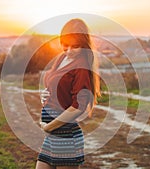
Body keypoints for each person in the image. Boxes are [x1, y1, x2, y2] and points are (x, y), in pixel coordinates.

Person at [35, 18, 101, 169]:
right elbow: (56, 85)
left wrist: (49, 127)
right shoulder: (62, 58)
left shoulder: (82, 67)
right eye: (65, 45)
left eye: (76, 46)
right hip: (53, 135)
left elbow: (78, 107)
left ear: (84, 45)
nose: (69, 51)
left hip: (66, 136)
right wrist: (45, 95)